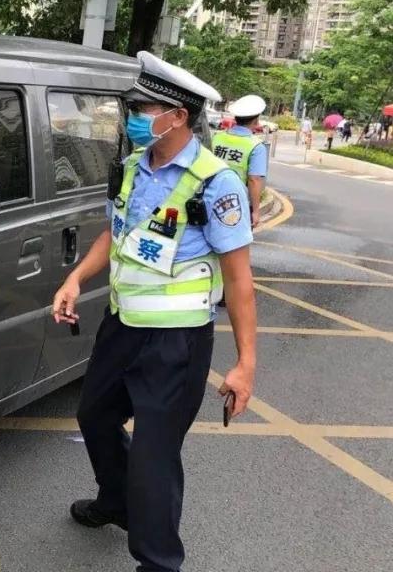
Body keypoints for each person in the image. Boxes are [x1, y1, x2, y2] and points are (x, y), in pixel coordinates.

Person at [53, 51, 257, 572]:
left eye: (143, 109)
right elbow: (115, 234)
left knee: (154, 456)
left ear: (178, 116)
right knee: (94, 417)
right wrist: (76, 278)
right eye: (133, 108)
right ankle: (116, 502)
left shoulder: (217, 184)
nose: (133, 118)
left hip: (177, 343)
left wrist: (245, 363)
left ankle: (159, 561)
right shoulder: (129, 169)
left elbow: (239, 280)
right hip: (122, 327)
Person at [212, 95, 268, 228]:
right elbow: (254, 180)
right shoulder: (256, 146)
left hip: (211, 196)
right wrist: (255, 211)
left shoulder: (217, 137)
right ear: (256, 120)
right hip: (236, 204)